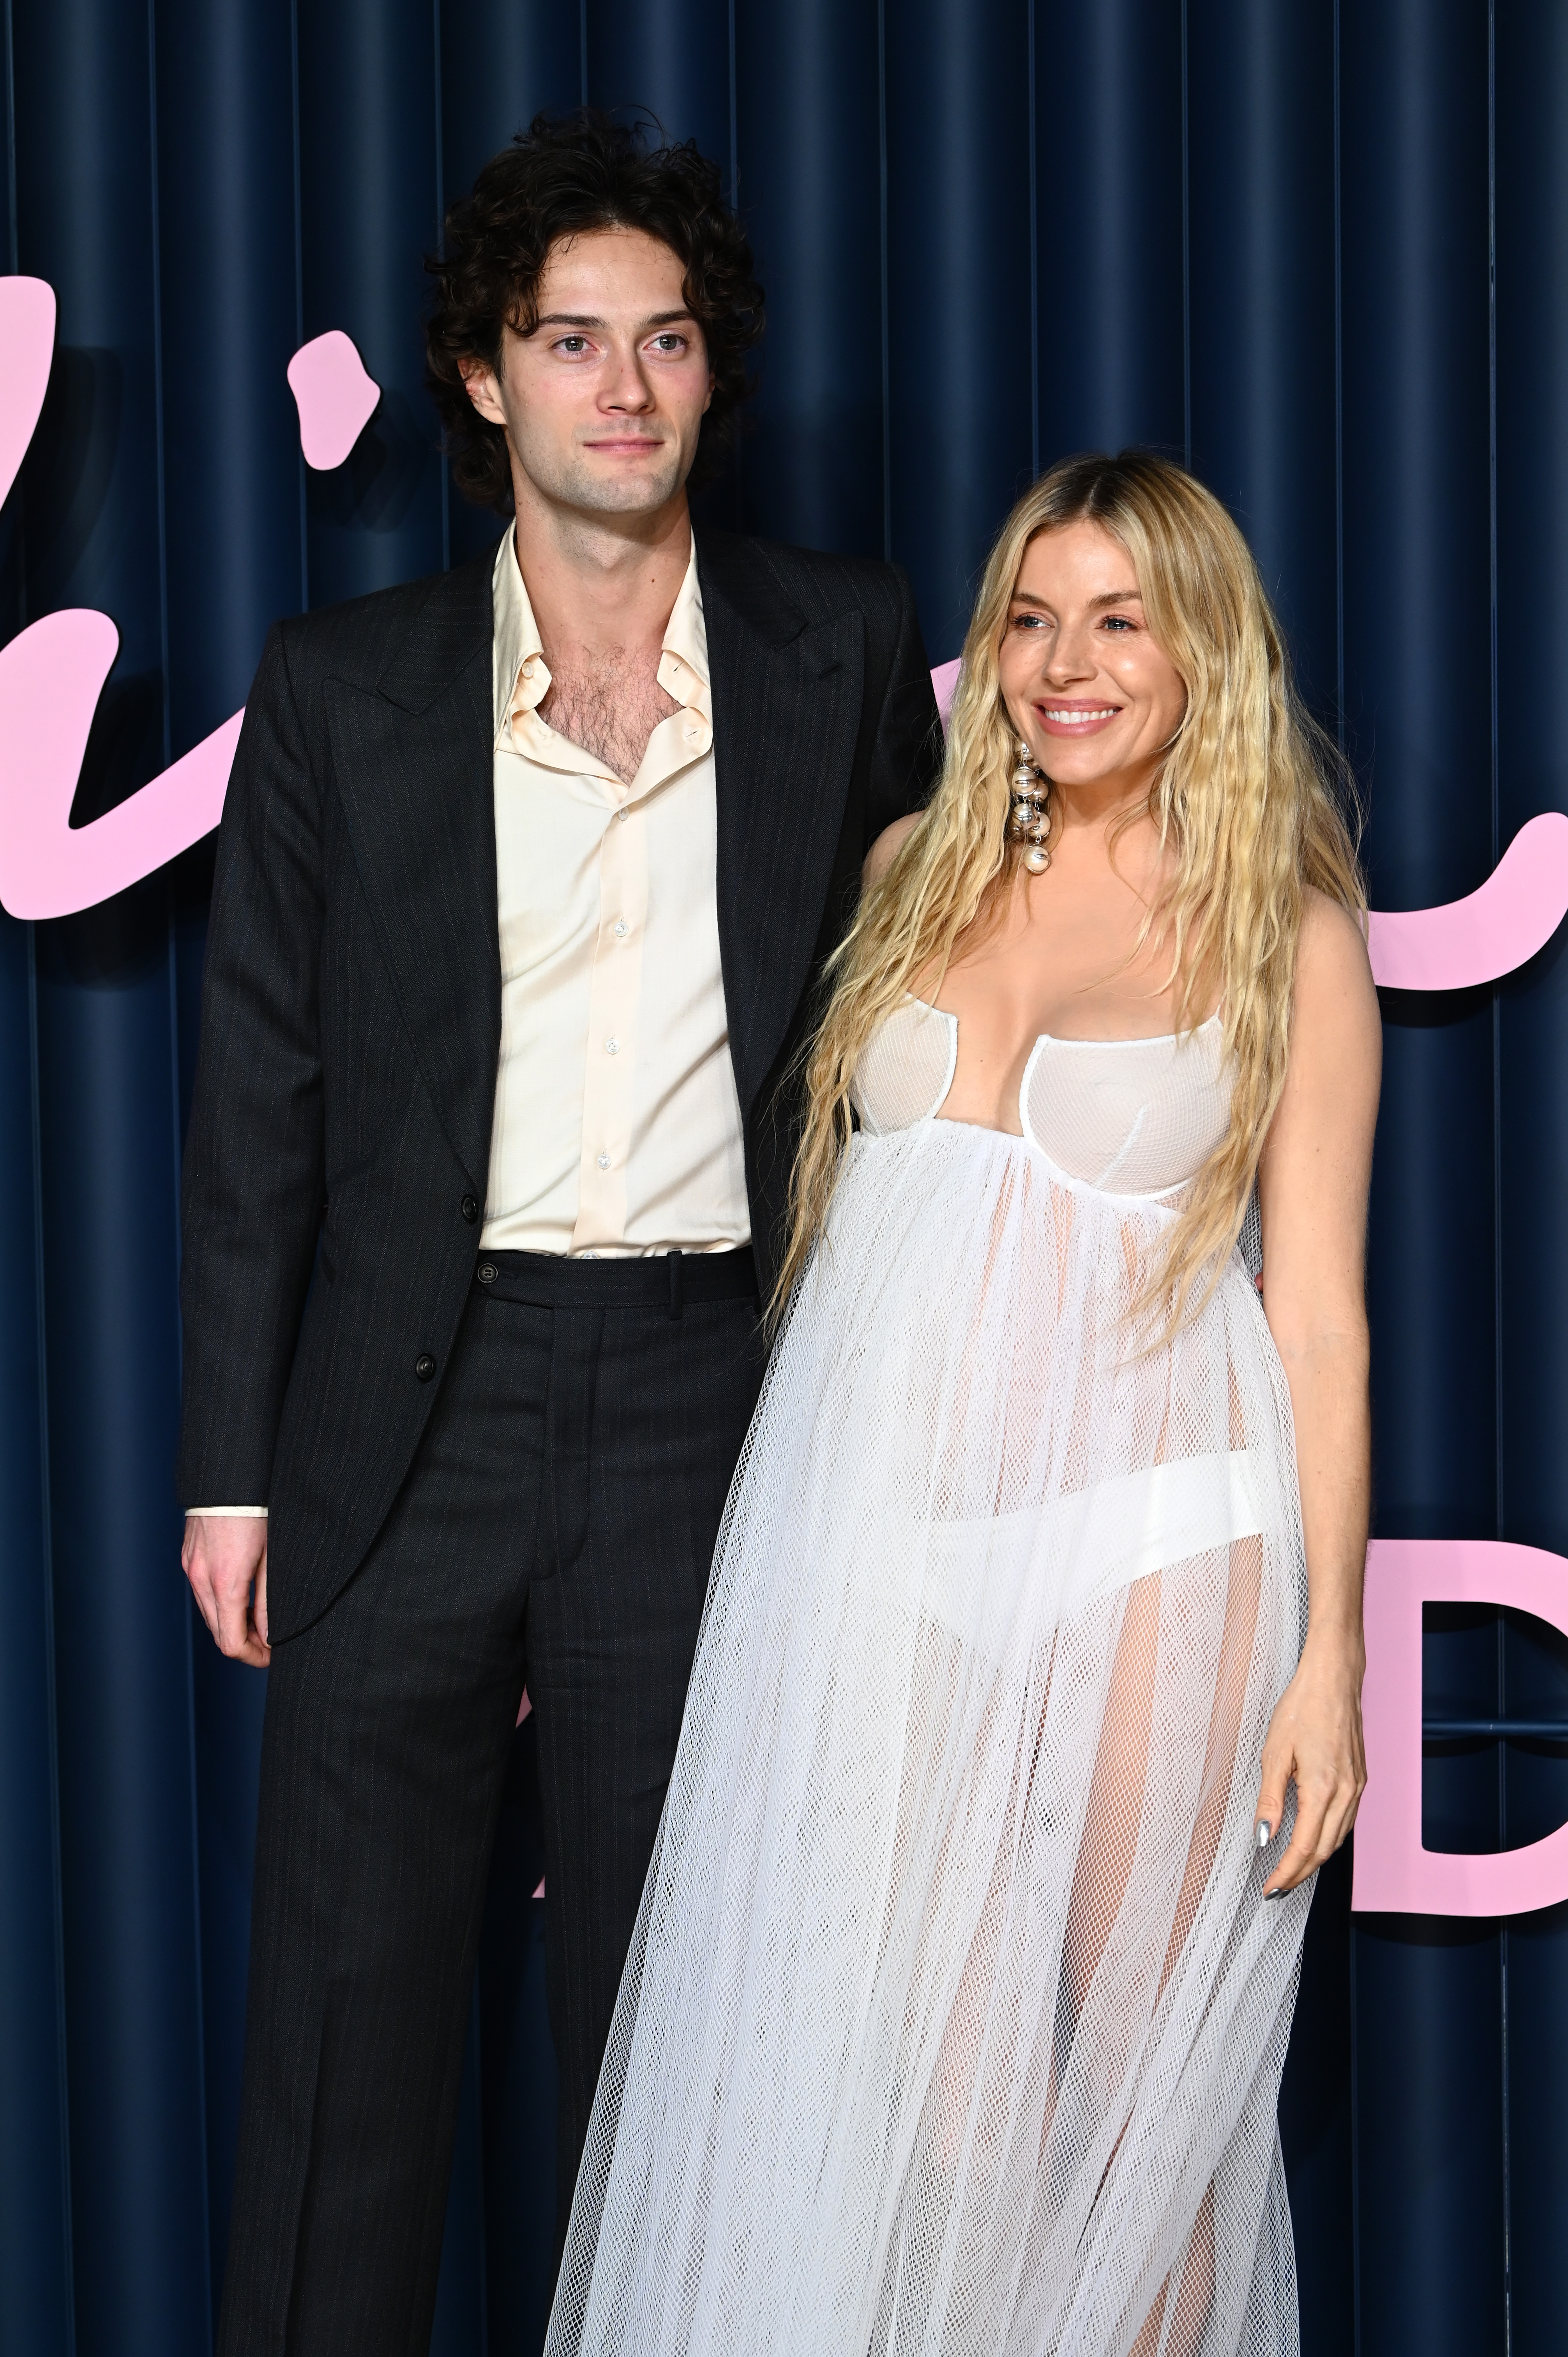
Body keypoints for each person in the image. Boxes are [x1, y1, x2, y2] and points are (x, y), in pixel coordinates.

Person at [177, 110, 940, 2354]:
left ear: (715, 381)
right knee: (343, 2035)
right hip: (413, 1402)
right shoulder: (341, 690)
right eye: (572, 340)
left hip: (712, 1396)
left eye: (667, 340)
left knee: (684, 2038)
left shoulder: (840, 646)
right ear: (486, 380)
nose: (625, 385)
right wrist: (232, 1463)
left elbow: (925, 1027)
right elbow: (260, 1109)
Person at [545, 450, 1378, 2357]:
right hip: (900, 1556)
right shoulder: (905, 880)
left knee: (1140, 2138)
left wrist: (1329, 1659)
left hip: (1161, 1543)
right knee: (938, 2123)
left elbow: (1318, 1317)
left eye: (1118, 620)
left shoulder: (1286, 936)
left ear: (1202, 651)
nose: (1065, 665)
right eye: (1028, 616)